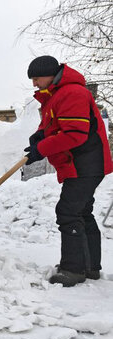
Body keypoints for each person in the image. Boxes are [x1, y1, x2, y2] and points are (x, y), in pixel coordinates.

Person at [25, 56, 112, 287]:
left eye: (36, 78)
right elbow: (54, 124)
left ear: (50, 74)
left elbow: (75, 134)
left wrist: (41, 149)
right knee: (82, 212)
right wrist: (39, 136)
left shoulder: (72, 92)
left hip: (85, 163)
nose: (34, 83)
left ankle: (73, 270)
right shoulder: (56, 95)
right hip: (84, 162)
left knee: (68, 212)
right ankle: (90, 267)